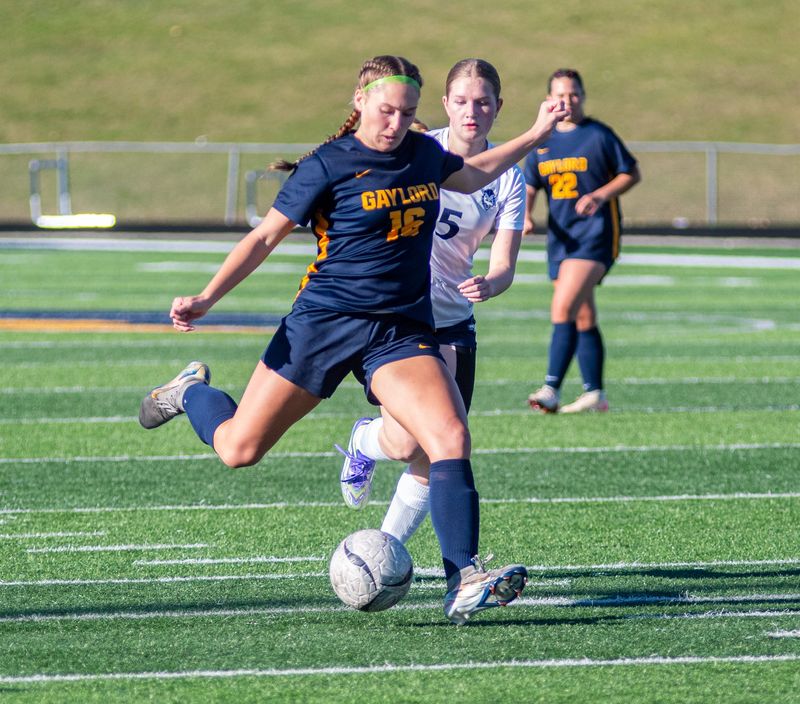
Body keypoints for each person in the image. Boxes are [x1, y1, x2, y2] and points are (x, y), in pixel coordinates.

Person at [138, 55, 569, 625]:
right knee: (239, 449)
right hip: (323, 324)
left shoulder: (421, 154)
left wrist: (537, 134)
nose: (396, 123)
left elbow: (476, 173)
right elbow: (265, 236)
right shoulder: (328, 165)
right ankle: (191, 392)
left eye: (408, 113)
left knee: (448, 433)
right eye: (387, 110)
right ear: (360, 102)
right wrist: (206, 297)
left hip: (397, 329)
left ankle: (463, 576)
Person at [335, 59, 526, 553]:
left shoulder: (509, 178)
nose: (472, 111)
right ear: (444, 104)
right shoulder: (423, 150)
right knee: (402, 443)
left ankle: (381, 553)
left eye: (482, 102)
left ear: (497, 108)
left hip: (455, 325)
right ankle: (364, 442)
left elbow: (505, 264)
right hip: (401, 321)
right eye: (461, 101)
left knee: (437, 449)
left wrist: (491, 283)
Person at [524, 68, 640, 414]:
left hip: (595, 236)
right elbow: (530, 182)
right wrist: (526, 215)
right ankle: (595, 393)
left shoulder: (598, 135)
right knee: (584, 315)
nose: (567, 101)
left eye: (573, 94)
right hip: (561, 239)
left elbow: (631, 172)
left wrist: (601, 196)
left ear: (583, 96)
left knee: (563, 308)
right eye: (560, 95)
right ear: (549, 100)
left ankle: (551, 387)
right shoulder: (542, 141)